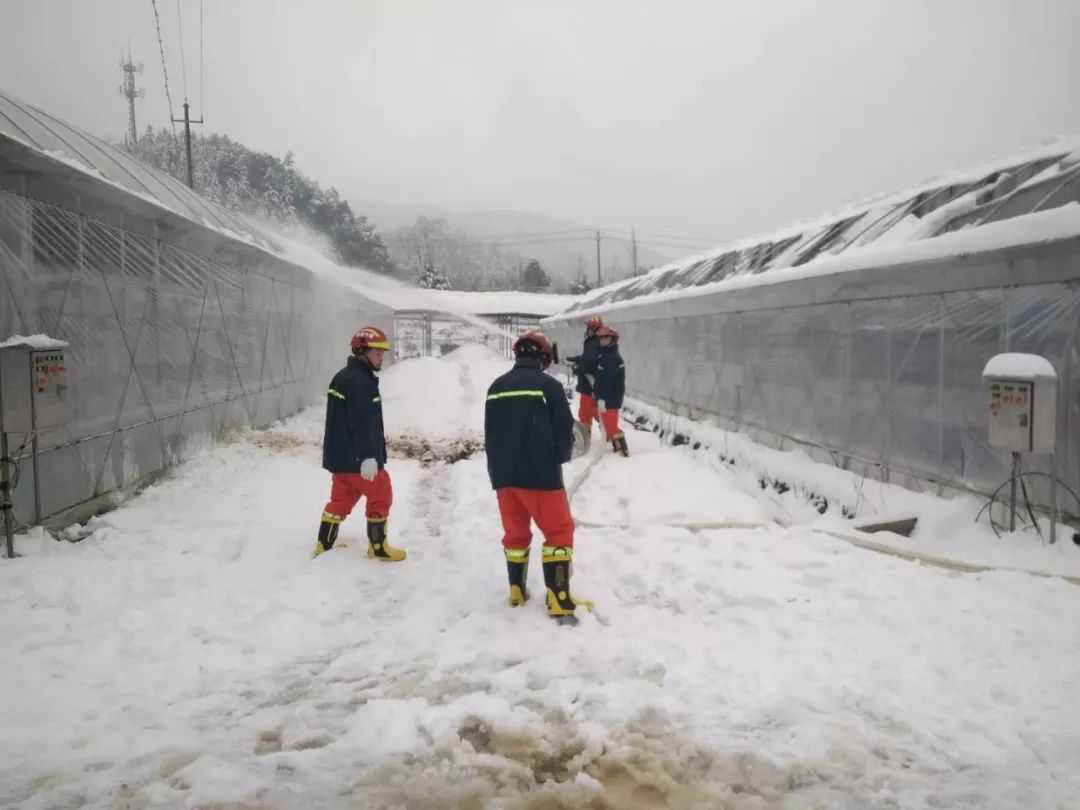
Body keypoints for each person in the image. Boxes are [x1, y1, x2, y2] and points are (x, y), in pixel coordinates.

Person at [485, 330, 590, 624]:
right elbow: (563, 429)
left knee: (516, 535)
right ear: (543, 357)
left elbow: (490, 434)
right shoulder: (549, 386)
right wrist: (562, 456)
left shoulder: (496, 387)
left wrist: (497, 471)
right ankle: (558, 597)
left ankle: (516, 590)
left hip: (504, 478)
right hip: (540, 477)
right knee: (558, 533)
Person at [313, 326, 406, 562]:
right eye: (377, 352)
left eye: (382, 353)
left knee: (341, 500)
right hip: (357, 458)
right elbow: (360, 421)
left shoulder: (344, 376)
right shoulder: (359, 382)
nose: (381, 357)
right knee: (381, 494)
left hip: (341, 458)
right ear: (362, 351)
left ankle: (324, 543)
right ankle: (378, 546)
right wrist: (367, 456)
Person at [594, 325, 629, 457]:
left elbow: (607, 382)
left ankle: (623, 453)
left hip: (610, 398)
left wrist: (601, 397)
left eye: (606, 337)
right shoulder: (607, 355)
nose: (602, 340)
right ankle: (615, 448)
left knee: (611, 426)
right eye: (601, 337)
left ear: (612, 339)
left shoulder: (611, 358)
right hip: (609, 397)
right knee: (608, 424)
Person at [566, 315, 604, 433]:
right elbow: (589, 358)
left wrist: (578, 370)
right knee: (596, 411)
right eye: (588, 328)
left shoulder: (592, 343)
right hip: (596, 383)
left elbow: (589, 361)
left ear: (596, 329)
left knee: (585, 413)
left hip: (589, 384)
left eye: (590, 328)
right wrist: (576, 359)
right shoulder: (598, 342)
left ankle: (584, 436)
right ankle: (610, 431)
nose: (587, 331)